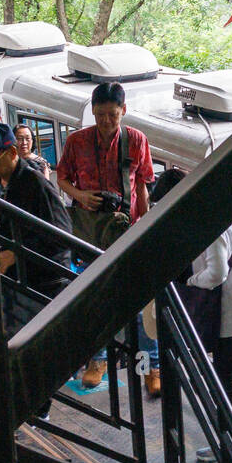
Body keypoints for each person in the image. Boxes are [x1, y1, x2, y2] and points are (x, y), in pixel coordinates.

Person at [151, 168, 232, 463]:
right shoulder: (208, 210)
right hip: (231, 307)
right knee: (225, 382)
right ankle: (226, 444)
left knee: (228, 383)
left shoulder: (212, 222)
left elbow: (216, 274)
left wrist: (188, 280)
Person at [56, 82, 160, 395]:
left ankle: (149, 368)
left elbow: (143, 183)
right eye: (100, 114)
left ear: (123, 111)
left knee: (141, 304)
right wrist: (80, 196)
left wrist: (142, 224)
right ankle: (97, 361)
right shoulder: (77, 141)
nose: (105, 121)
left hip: (126, 228)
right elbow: (62, 177)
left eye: (112, 115)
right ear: (93, 111)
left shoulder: (136, 140)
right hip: (89, 231)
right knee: (94, 298)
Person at [0, 122, 72, 419]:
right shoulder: (1, 184)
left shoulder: (36, 184)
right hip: (16, 281)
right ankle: (28, 407)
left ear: (12, 152)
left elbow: (62, 235)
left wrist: (16, 254)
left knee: (33, 352)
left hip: (43, 282)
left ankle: (39, 412)